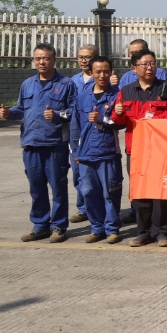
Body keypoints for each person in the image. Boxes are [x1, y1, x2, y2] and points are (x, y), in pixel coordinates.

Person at [0, 43, 78, 243]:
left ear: (54, 60)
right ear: (34, 61)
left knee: (58, 188)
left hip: (55, 144)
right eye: (38, 58)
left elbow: (74, 112)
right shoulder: (27, 84)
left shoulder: (66, 84)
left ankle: (58, 226)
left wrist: (57, 115)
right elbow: (21, 109)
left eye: (46, 58)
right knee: (36, 188)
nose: (42, 62)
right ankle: (40, 225)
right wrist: (8, 113)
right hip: (31, 143)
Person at [111, 48, 167, 247]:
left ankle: (161, 231)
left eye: (152, 64)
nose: (150, 68)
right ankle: (143, 232)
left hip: (160, 149)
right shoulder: (125, 91)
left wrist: (152, 118)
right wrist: (118, 113)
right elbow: (118, 122)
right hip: (136, 150)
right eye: (145, 64)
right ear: (134, 68)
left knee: (160, 192)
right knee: (140, 192)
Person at [69, 55, 124, 243]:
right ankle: (97, 228)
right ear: (91, 73)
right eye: (98, 71)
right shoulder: (82, 97)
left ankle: (112, 229)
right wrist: (75, 151)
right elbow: (75, 126)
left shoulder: (117, 96)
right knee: (89, 192)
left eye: (106, 71)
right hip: (86, 154)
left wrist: (102, 119)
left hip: (108, 152)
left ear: (111, 72)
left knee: (110, 192)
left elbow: (121, 123)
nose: (102, 75)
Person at [69, 43, 98, 224]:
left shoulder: (102, 78)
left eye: (88, 57)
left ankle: (97, 208)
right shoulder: (72, 81)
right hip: (76, 132)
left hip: (96, 132)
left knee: (95, 174)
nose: (84, 60)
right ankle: (83, 208)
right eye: (81, 57)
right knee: (77, 172)